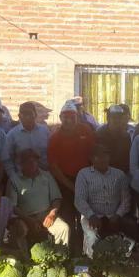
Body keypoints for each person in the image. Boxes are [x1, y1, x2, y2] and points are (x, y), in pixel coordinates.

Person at [48, 101, 95, 248]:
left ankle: (86, 251)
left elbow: (94, 155)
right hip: (65, 182)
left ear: (77, 117)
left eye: (72, 117)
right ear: (61, 118)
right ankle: (69, 252)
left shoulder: (86, 131)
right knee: (68, 217)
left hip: (86, 180)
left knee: (85, 218)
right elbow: (54, 167)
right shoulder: (55, 138)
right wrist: (71, 186)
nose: (69, 120)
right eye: (65, 117)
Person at [74, 145, 138, 256]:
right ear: (91, 158)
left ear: (109, 157)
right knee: (92, 236)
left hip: (115, 215)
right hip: (93, 216)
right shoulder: (83, 174)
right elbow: (79, 200)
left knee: (132, 230)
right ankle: (91, 265)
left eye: (105, 155)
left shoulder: (119, 175)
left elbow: (126, 199)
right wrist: (91, 215)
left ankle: (125, 260)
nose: (102, 159)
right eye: (98, 156)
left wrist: (118, 215)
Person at [7, 149, 70, 253]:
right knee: (20, 229)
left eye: (34, 161)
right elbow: (12, 207)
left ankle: (59, 258)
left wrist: (52, 214)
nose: (31, 164)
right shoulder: (14, 180)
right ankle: (24, 261)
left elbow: (56, 198)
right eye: (27, 162)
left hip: (46, 214)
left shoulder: (47, 176)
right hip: (24, 217)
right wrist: (29, 220)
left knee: (64, 228)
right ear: (21, 164)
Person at [4, 101, 50, 178]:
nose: (28, 117)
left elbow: (50, 154)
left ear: (35, 115)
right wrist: (13, 176)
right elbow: (7, 159)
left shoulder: (45, 131)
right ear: (19, 116)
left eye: (30, 114)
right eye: (24, 114)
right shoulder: (12, 135)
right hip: (22, 178)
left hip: (44, 177)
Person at [96, 105, 132, 174]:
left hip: (122, 174)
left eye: (120, 118)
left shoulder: (126, 136)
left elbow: (128, 159)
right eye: (114, 117)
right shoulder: (100, 134)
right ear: (108, 119)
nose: (117, 120)